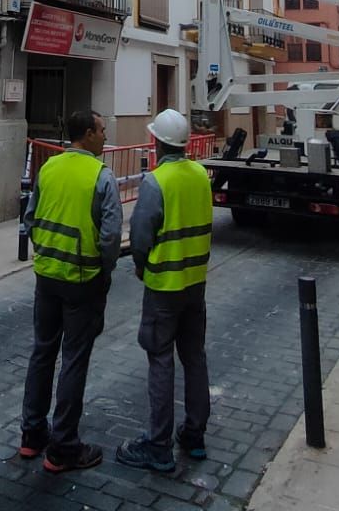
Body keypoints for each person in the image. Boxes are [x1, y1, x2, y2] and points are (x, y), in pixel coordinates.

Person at [21, 109, 120, 473]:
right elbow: (110, 237)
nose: (106, 136)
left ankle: (31, 435)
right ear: (88, 135)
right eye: (102, 130)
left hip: (46, 276)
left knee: (42, 353)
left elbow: (30, 218)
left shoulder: (48, 168)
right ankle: (63, 446)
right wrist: (105, 272)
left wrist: (45, 251)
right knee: (74, 359)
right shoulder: (101, 176)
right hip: (83, 280)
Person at [117, 109, 213, 474]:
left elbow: (140, 237)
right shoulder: (201, 175)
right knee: (195, 356)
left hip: (163, 287)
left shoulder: (156, 182)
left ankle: (158, 445)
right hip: (196, 283)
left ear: (157, 143)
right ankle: (195, 434)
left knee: (160, 360)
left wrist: (141, 266)